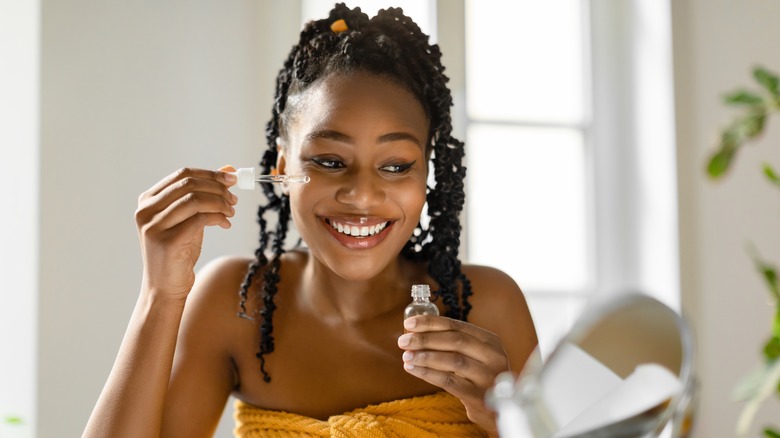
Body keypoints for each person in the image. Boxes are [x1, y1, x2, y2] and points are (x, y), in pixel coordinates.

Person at [84, 3, 537, 437]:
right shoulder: (236, 304)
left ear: (426, 174)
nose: (361, 195)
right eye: (329, 160)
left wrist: (503, 421)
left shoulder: (488, 307)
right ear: (281, 169)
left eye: (396, 165)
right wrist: (160, 294)